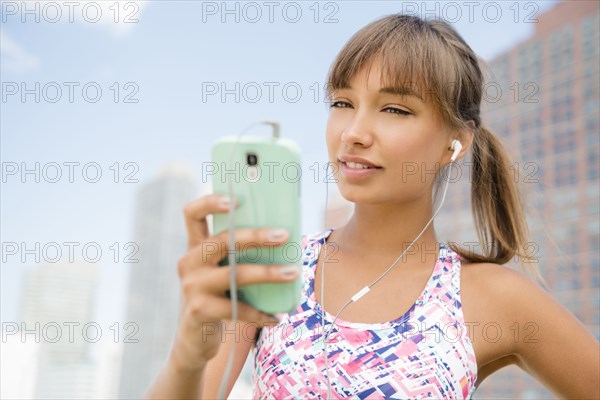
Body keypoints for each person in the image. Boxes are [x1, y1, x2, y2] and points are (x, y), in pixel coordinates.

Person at [147, 14, 600, 399]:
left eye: (396, 110)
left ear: (455, 143)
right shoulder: (275, 268)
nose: (354, 132)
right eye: (343, 103)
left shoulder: (493, 297)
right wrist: (188, 352)